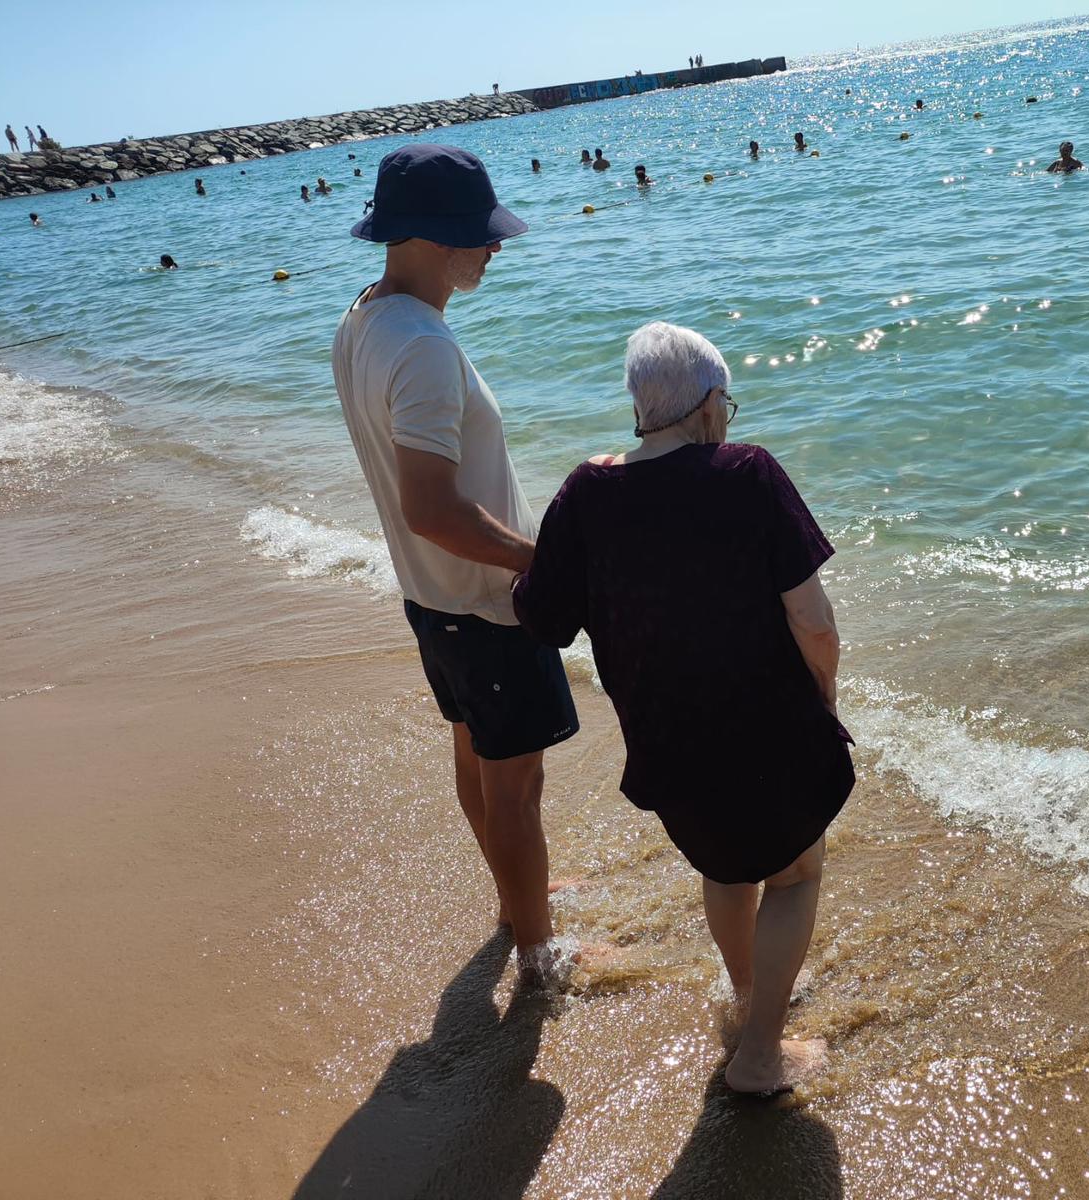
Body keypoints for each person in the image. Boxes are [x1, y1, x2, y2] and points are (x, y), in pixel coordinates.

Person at [513, 322, 852, 1093]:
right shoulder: (747, 473)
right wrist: (824, 695)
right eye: (727, 402)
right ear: (705, 408)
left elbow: (541, 619)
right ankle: (762, 1054)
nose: (728, 417)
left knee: (728, 867)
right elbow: (816, 623)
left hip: (667, 746)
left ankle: (746, 1001)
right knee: (795, 874)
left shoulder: (584, 491)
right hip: (768, 730)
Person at [332, 144, 582, 984]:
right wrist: (546, 562)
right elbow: (433, 508)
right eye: (484, 236)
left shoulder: (362, 317)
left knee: (476, 753)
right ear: (442, 240)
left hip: (428, 596)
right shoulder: (424, 347)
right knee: (517, 790)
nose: (495, 249)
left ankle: (522, 899)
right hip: (484, 601)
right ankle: (539, 948)